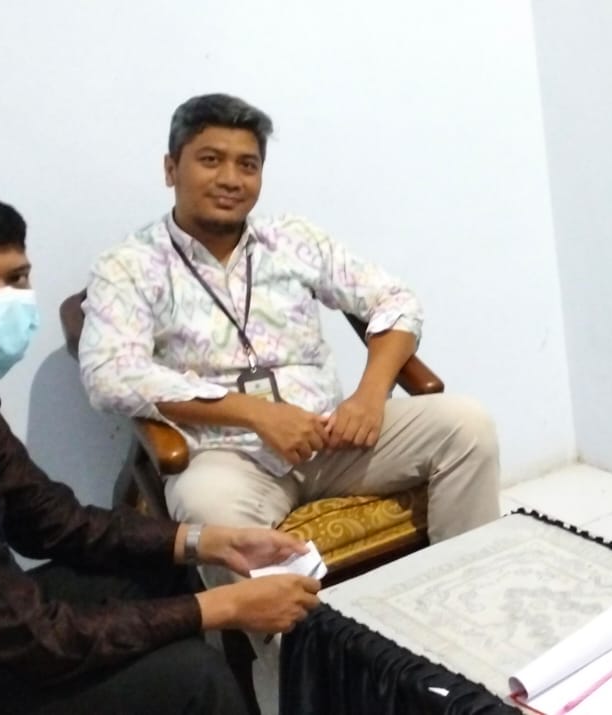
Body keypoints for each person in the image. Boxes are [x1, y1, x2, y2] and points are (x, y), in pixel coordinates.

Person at [0, 185, 323, 714]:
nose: (1, 300)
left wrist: (208, 541)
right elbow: (38, 641)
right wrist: (223, 606)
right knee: (195, 677)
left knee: (157, 569)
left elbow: (52, 520)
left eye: (15, 278)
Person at [77, 94, 500, 645]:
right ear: (170, 168)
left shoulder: (294, 240)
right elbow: (110, 373)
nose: (231, 179)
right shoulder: (129, 266)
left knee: (467, 425)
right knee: (205, 506)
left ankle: (464, 621)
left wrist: (370, 396)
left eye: (247, 164)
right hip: (227, 456)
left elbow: (395, 301)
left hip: (332, 437)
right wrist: (254, 414)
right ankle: (289, 668)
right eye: (210, 160)